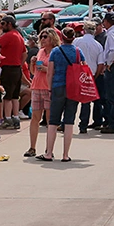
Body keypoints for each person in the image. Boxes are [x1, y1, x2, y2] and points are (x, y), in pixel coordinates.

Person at [40, 27, 81, 162]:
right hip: (73, 88)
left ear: (61, 38)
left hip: (58, 87)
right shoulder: (77, 51)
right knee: (69, 122)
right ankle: (65, 154)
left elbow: (50, 72)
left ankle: (49, 153)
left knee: (53, 121)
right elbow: (83, 68)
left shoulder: (56, 52)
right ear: (73, 38)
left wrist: (50, 88)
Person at [74, 21, 104, 134]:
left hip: (78, 73)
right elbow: (101, 64)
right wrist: (95, 77)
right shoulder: (98, 45)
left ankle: (66, 122)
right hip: (91, 74)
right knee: (86, 101)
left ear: (83, 30)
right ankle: (83, 125)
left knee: (73, 100)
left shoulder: (76, 41)